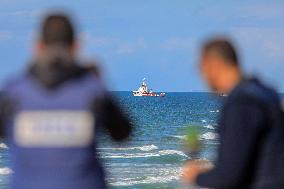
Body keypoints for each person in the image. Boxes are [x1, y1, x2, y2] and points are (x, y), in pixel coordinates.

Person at [0, 13, 132, 189]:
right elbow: (122, 134)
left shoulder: (14, 94)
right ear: (75, 47)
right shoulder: (92, 92)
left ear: (38, 47)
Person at [182, 38, 284, 188]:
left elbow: (229, 177)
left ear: (212, 64)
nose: (203, 77)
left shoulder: (241, 103)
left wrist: (196, 175)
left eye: (201, 69)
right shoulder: (266, 93)